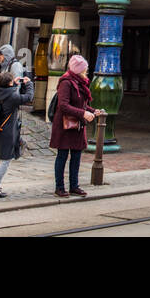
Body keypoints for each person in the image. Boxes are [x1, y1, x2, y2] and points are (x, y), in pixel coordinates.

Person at [49, 54, 100, 197]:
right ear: (78, 69)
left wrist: (92, 110)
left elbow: (82, 104)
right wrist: (83, 114)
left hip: (77, 125)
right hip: (65, 126)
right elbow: (63, 105)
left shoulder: (81, 82)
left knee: (76, 156)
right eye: (85, 69)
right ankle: (59, 187)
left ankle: (74, 186)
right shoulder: (66, 82)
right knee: (62, 155)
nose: (87, 71)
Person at [0, 69, 33, 198]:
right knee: (5, 160)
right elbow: (28, 97)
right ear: (9, 84)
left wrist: (15, 84)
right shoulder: (12, 96)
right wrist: (29, 84)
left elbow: (6, 90)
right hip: (7, 131)